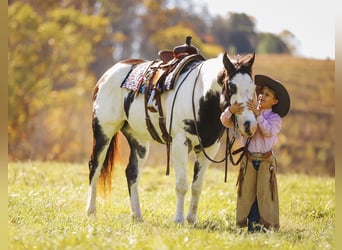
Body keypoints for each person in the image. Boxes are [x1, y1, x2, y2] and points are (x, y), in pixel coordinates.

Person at [220, 74, 290, 232]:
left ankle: (264, 225)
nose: (261, 96)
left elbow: (267, 131)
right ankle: (251, 225)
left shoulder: (275, 118)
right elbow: (226, 121)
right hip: (249, 159)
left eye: (267, 95)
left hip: (266, 160)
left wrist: (257, 116)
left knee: (264, 193)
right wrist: (230, 110)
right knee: (247, 193)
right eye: (261, 93)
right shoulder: (247, 112)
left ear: (275, 101)